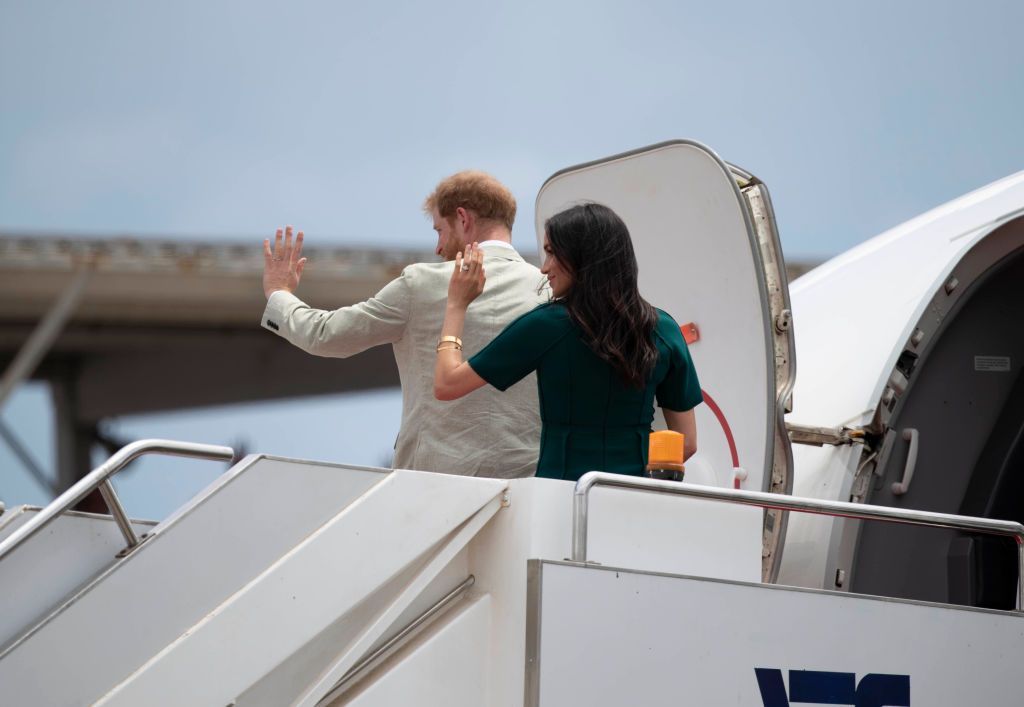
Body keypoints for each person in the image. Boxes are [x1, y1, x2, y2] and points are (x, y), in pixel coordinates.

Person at [261, 171, 548, 478]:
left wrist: (278, 294)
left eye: (439, 230)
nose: (438, 247)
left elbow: (326, 335)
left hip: (433, 481)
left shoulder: (422, 283)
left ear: (463, 219)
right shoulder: (548, 291)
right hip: (528, 486)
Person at [433, 202, 702, 482]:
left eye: (551, 253)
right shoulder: (664, 330)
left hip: (561, 498)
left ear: (582, 258)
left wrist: (456, 304)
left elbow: (447, 384)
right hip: (635, 497)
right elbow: (687, 443)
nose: (544, 268)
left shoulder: (546, 326)